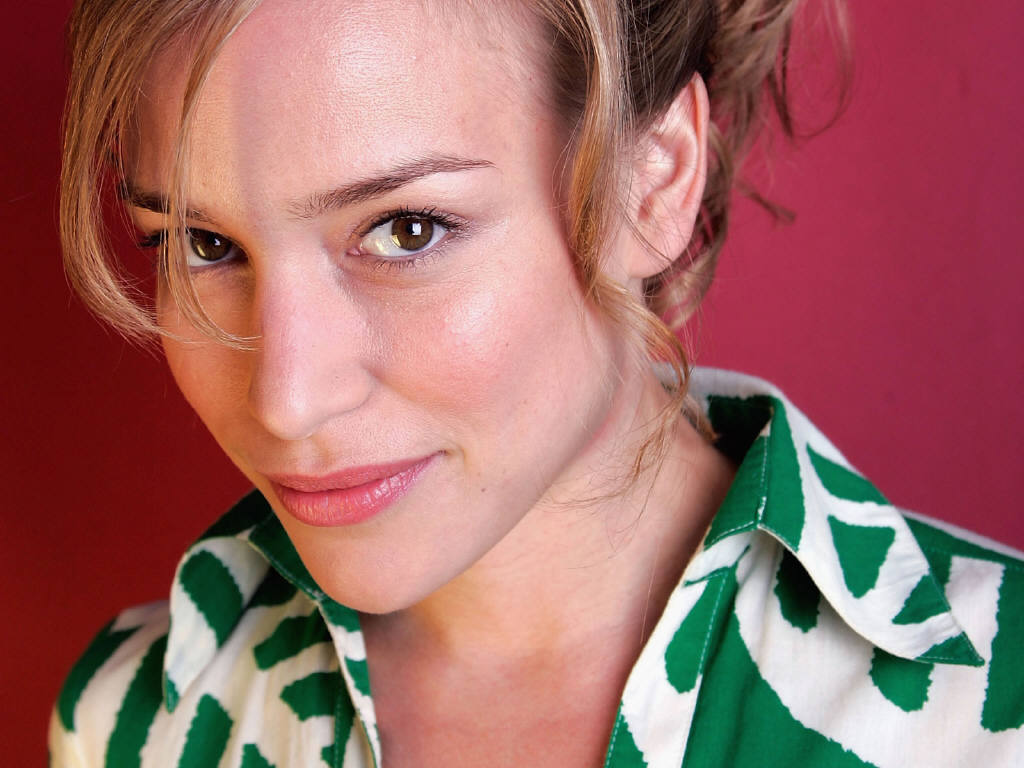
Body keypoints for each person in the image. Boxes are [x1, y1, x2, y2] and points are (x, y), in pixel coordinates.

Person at [49, 0, 1023, 766]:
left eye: (406, 230)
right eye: (201, 243)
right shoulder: (135, 726)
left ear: (653, 182)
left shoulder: (995, 713)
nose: (288, 398)